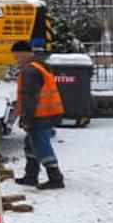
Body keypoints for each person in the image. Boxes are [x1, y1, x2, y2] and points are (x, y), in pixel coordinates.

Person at [12, 40, 66, 189]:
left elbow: (30, 97)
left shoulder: (30, 71)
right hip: (47, 113)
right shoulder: (39, 66)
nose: (15, 58)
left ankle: (55, 177)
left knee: (41, 145)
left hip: (39, 114)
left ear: (24, 53)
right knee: (31, 144)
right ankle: (31, 175)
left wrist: (26, 118)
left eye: (16, 54)